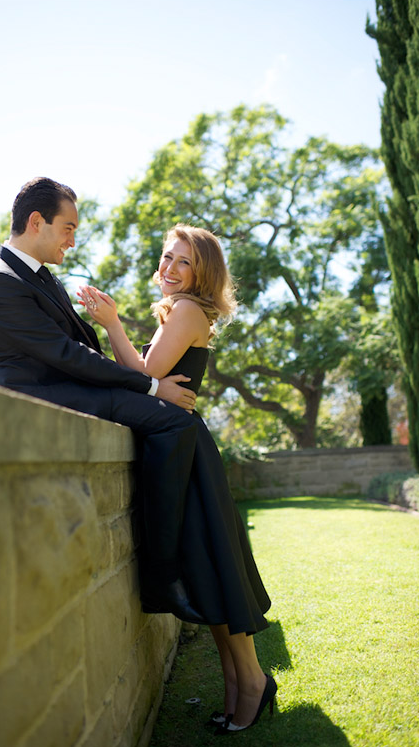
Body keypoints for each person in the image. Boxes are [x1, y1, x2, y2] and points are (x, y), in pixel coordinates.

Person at [0, 176, 207, 624]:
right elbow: (68, 356)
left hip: (79, 390)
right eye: (68, 228)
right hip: (52, 398)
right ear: (36, 222)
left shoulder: (40, 277)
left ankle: (181, 556)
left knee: (178, 425)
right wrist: (152, 387)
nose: (73, 240)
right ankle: (163, 577)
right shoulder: (0, 282)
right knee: (174, 422)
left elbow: (85, 352)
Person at [78, 224, 277, 734]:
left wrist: (112, 325)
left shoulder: (187, 310)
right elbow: (151, 380)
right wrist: (152, 382)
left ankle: (253, 682)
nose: (169, 267)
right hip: (182, 450)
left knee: (214, 566)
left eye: (182, 261)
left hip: (185, 454)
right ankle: (236, 685)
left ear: (201, 272)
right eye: (166, 257)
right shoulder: (180, 310)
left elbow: (144, 370)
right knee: (206, 569)